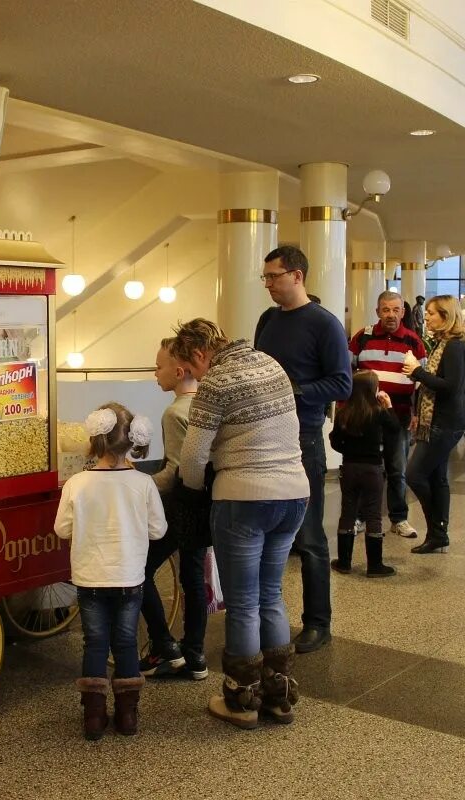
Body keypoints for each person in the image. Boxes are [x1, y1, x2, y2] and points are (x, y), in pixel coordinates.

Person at [172, 318, 310, 729]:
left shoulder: (215, 382)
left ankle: (241, 699)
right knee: (271, 594)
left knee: (244, 602)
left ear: (199, 354)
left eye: (191, 368)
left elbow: (194, 458)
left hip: (244, 498)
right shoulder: (271, 364)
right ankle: (278, 696)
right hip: (294, 494)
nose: (195, 377)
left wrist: (191, 490)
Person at [253, 245, 353, 655]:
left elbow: (342, 384)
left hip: (302, 439)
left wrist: (294, 390)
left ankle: (318, 622)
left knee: (309, 536)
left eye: (273, 277)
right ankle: (263, 614)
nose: (268, 285)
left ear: (297, 275)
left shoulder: (324, 324)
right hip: (264, 436)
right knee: (265, 532)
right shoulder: (267, 320)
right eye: (265, 278)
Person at [55, 403, 167, 739]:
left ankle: (92, 718)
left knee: (94, 643)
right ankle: (128, 717)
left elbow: (62, 528)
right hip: (130, 577)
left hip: (89, 578)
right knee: (127, 642)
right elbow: (158, 530)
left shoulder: (77, 483)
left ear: (94, 441)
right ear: (132, 440)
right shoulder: (143, 483)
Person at [138, 339, 209, 681]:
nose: (155, 373)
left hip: (180, 505)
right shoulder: (207, 405)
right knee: (193, 577)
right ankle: (195, 654)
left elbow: (177, 469)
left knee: (139, 570)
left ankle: (164, 645)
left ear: (179, 372)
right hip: (205, 504)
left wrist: (138, 485)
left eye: (159, 366)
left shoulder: (174, 412)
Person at [348, 290, 426, 539]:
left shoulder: (413, 341)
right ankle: (360, 517)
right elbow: (347, 370)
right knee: (366, 468)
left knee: (397, 469)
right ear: (378, 311)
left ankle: (399, 519)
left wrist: (416, 413)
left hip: (399, 415)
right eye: (385, 310)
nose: (391, 315)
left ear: (403, 312)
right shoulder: (362, 337)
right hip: (366, 416)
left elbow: (421, 383)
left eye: (395, 310)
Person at [402, 295, 465, 554]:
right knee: (437, 477)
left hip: (446, 421)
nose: (426, 316)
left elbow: (451, 387)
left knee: (415, 474)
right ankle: (438, 534)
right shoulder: (443, 343)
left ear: (446, 316)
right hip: (439, 419)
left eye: (431, 313)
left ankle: (437, 528)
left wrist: (417, 372)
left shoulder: (454, 346)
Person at [328, 370, 400, 577]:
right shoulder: (378, 413)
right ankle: (375, 565)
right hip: (373, 468)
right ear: (373, 390)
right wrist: (389, 405)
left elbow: (335, 441)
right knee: (373, 514)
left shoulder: (344, 412)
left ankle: (344, 561)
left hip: (349, 467)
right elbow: (395, 429)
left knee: (348, 512)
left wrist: (349, 451)